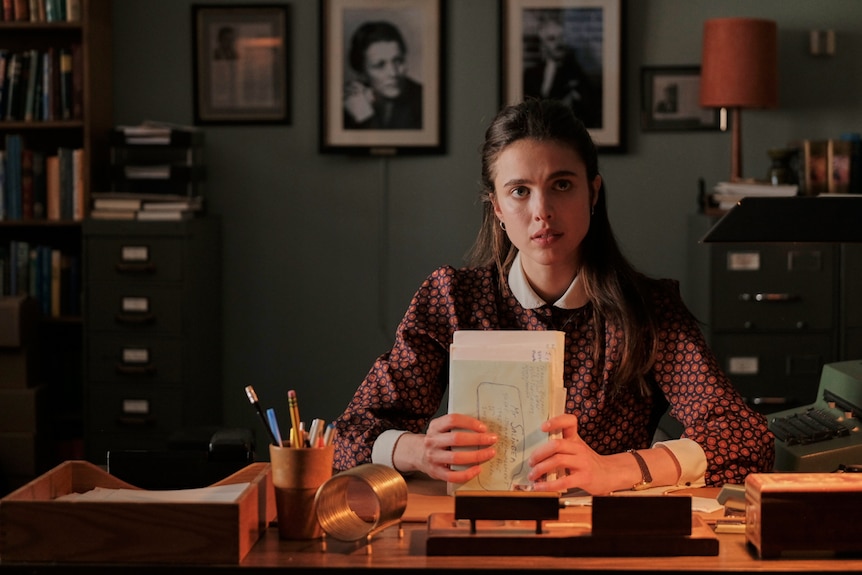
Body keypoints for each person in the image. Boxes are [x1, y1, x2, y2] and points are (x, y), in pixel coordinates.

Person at [332, 98, 774, 494]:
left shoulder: (648, 309)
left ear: (593, 192)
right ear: (498, 208)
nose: (542, 210)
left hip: (608, 537)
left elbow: (744, 437)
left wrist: (616, 470)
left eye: (561, 185)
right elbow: (346, 435)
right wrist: (418, 451)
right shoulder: (453, 298)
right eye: (519, 191)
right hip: (481, 531)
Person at [522, 11, 601, 128]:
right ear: (543, 44)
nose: (558, 43)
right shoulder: (531, 74)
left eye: (561, 38)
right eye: (551, 39)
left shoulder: (578, 72)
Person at [343, 20, 423, 130]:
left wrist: (365, 118)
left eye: (398, 61)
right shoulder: (345, 103)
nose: (393, 73)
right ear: (362, 73)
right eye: (379, 65)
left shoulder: (425, 100)